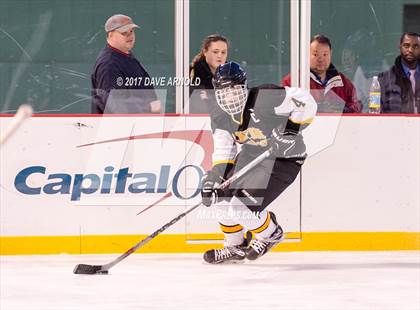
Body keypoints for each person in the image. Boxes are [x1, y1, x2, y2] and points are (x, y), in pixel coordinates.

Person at [200, 62, 317, 264]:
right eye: (224, 91)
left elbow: (306, 102)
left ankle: (272, 234)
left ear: (244, 86)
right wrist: (214, 178)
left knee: (240, 209)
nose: (230, 97)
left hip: (283, 159)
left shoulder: (264, 98)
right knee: (221, 197)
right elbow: (223, 151)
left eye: (235, 90)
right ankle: (235, 246)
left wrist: (289, 131)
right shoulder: (219, 116)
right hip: (252, 157)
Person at [91, 14, 161, 114]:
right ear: (111, 35)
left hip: (136, 126)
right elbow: (114, 104)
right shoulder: (108, 64)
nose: (130, 35)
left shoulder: (125, 56)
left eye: (131, 31)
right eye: (124, 32)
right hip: (119, 128)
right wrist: (148, 107)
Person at [281, 34, 361, 113]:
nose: (321, 59)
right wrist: (316, 108)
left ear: (331, 54)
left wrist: (344, 110)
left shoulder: (343, 82)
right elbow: (284, 105)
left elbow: (356, 106)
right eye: (315, 54)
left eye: (325, 54)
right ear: (306, 54)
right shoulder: (293, 80)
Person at [378, 32, 420, 114]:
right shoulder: (384, 79)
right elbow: (377, 113)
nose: (410, 50)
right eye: (406, 46)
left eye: (415, 46)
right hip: (393, 126)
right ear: (400, 47)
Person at [189, 34, 229, 113]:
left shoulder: (234, 74)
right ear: (205, 52)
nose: (220, 56)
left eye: (223, 52)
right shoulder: (192, 73)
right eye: (215, 52)